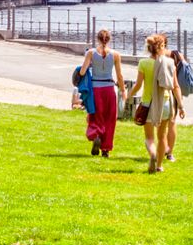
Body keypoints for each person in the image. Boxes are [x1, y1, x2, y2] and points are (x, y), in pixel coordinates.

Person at [135, 33, 183, 174]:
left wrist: (129, 95)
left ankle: (153, 154)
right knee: (162, 136)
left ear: (149, 47)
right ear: (162, 46)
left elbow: (138, 85)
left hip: (148, 104)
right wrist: (180, 105)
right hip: (166, 103)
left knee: (149, 137)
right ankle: (160, 165)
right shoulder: (170, 63)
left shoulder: (143, 63)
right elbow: (175, 86)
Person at [77, 28, 126, 159]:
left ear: (98, 39)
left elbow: (82, 72)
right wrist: (123, 90)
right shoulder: (115, 55)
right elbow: (119, 75)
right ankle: (106, 149)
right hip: (109, 88)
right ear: (109, 39)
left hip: (95, 89)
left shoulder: (91, 53)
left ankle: (96, 135)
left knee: (95, 116)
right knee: (110, 119)